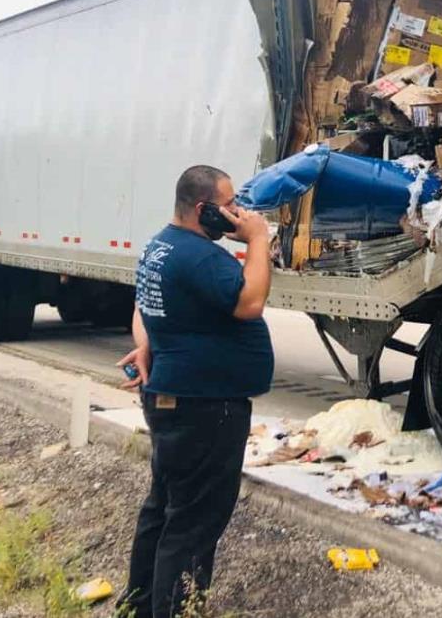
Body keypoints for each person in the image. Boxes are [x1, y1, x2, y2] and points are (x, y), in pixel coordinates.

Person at [115, 165, 274, 618]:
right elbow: (250, 303)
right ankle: (173, 611)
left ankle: (140, 606)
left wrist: (148, 342)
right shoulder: (201, 256)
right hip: (205, 407)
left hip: (177, 398)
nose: (237, 213)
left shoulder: (161, 245)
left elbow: (144, 305)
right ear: (204, 209)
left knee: (164, 508)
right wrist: (259, 241)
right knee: (193, 524)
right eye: (228, 205)